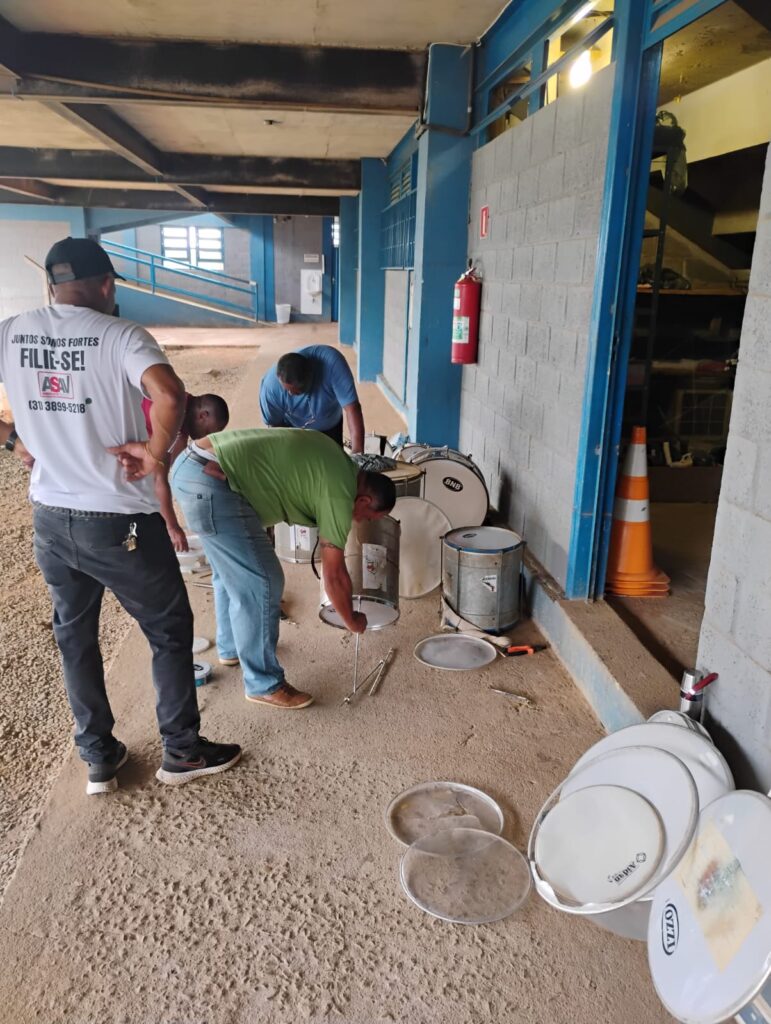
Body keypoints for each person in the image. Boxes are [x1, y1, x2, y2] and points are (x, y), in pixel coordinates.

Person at [0, 236, 241, 795]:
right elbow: (170, 394)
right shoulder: (120, 333)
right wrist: (154, 454)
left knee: (75, 637)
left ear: (52, 286)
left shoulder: (11, 331)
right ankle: (181, 751)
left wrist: (13, 441)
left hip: (51, 519)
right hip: (119, 522)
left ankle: (99, 758)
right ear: (108, 285)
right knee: (169, 629)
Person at [170, 428, 396, 709]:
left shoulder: (337, 462)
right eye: (368, 516)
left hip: (194, 468)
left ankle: (232, 648)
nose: (363, 521)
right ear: (364, 500)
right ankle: (264, 684)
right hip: (211, 483)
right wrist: (352, 620)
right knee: (263, 580)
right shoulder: (341, 492)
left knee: (231, 570)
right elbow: (334, 575)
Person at [141, 392, 229, 551]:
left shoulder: (183, 410)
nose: (204, 437)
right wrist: (172, 527)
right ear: (203, 415)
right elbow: (158, 480)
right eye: (208, 431)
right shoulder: (173, 415)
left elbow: (180, 466)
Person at [260, 345, 365, 452]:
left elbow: (352, 408)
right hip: (292, 429)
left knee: (333, 462)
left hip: (331, 425)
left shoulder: (333, 364)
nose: (291, 394)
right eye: (288, 390)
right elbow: (275, 427)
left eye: (299, 390)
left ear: (311, 376)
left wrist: (358, 454)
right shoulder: (271, 388)